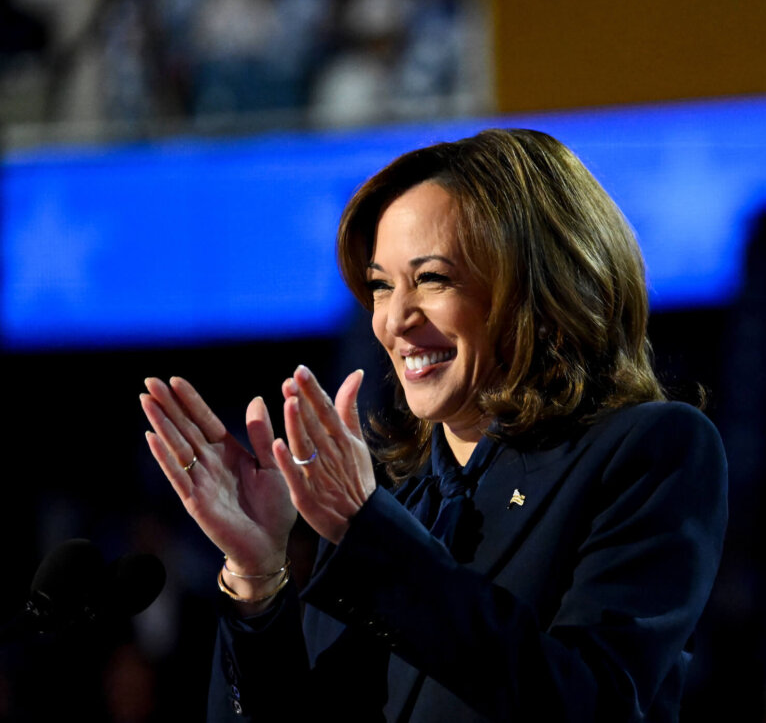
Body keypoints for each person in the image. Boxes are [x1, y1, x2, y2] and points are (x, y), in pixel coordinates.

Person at [139, 128, 728, 721]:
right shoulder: (385, 506)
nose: (394, 319)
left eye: (432, 279)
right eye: (381, 286)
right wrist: (258, 576)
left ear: (537, 287)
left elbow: (591, 705)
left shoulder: (651, 451)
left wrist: (371, 533)